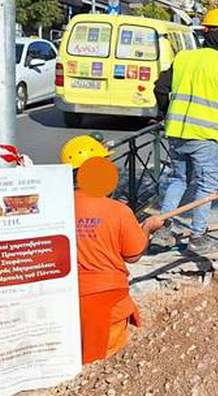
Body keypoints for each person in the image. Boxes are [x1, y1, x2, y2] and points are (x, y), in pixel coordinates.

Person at [154, 8, 218, 258]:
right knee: (207, 185)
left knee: (178, 180)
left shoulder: (184, 58)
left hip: (176, 133)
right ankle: (197, 236)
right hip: (204, 137)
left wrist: (166, 113)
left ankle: (163, 229)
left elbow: (160, 88)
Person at [61, 136, 165, 364]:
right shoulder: (117, 210)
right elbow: (133, 255)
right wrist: (147, 228)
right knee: (104, 365)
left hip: (65, 301)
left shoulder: (57, 206)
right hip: (108, 304)